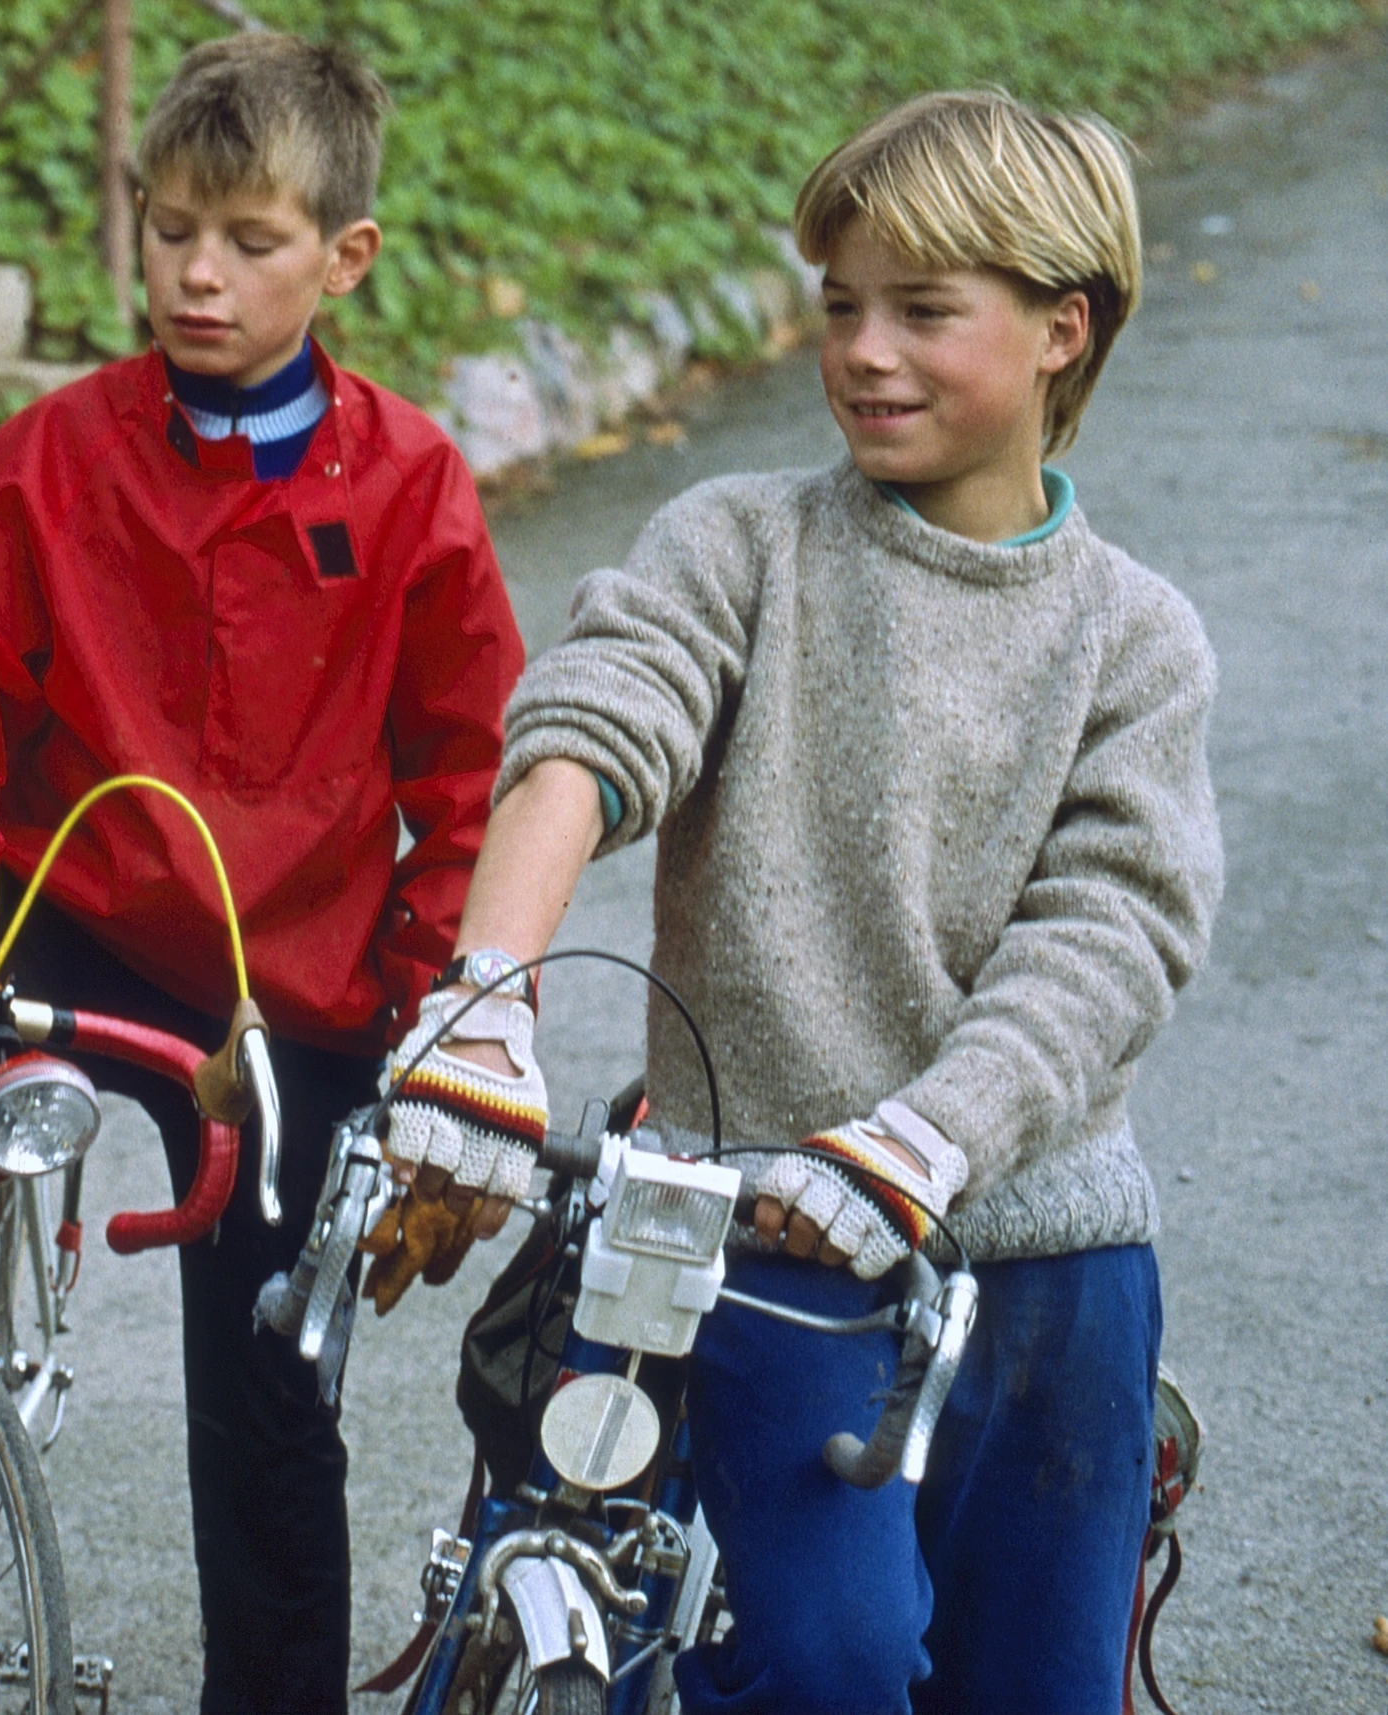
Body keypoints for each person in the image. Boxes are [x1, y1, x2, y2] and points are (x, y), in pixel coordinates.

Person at [0, 31, 522, 1715]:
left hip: (289, 976)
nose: (197, 274)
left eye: (249, 240)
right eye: (168, 232)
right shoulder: (48, 459)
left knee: (271, 1376)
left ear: (342, 257)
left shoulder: (412, 485)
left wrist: (443, 1002)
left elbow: (470, 776)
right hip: (51, 916)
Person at [382, 89, 1214, 1711]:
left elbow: (1111, 926)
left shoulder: (1134, 635)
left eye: (920, 309)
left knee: (1036, 1689)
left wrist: (925, 1137)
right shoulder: (740, 543)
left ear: (1063, 326)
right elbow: (587, 733)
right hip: (759, 1233)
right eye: (839, 303)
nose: (863, 350)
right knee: (820, 1666)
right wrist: (482, 1002)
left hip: (1050, 1260)